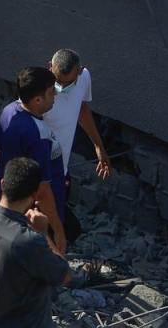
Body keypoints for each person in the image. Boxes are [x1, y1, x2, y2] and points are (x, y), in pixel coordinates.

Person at [0, 157, 71, 328]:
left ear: (3, 184)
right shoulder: (29, 241)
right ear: (35, 195)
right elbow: (64, 276)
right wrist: (43, 233)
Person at [0, 67, 67, 253]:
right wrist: (58, 230)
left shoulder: (8, 112)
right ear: (37, 100)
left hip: (15, 200)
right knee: (46, 256)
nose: (55, 97)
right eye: (51, 93)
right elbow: (43, 190)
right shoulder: (38, 133)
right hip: (37, 210)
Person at [44, 49, 111, 244]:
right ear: (50, 67)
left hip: (60, 170)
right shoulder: (39, 87)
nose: (61, 87)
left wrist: (98, 146)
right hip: (40, 172)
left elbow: (81, 108)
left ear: (80, 72)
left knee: (58, 227)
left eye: (68, 83)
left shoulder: (84, 78)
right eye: (58, 81)